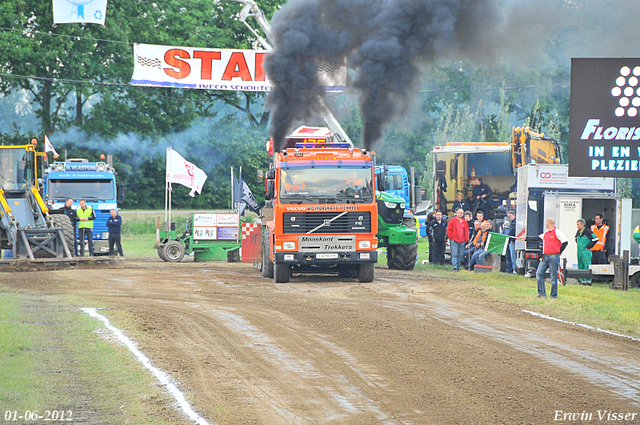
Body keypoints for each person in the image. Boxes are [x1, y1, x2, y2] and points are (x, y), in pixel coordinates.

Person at [519, 218, 568, 299]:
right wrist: (526, 238)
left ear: (548, 223)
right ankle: (541, 293)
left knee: (553, 277)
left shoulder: (557, 232)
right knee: (539, 273)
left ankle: (553, 295)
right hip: (545, 256)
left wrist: (559, 251)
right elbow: (538, 238)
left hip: (553, 256)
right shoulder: (546, 233)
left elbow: (565, 242)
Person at [575, 219, 598, 285]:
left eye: (578, 224)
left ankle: (587, 280)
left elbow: (595, 239)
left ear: (583, 225)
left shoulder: (588, 231)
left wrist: (589, 247)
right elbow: (576, 238)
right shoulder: (578, 232)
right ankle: (581, 280)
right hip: (579, 251)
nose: (577, 226)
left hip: (586, 252)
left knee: (586, 265)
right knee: (580, 265)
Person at [447, 207, 469, 271]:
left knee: (461, 254)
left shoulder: (465, 222)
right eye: (459, 212)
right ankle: (455, 267)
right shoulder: (452, 221)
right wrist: (451, 238)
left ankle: (459, 265)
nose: (460, 214)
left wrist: (466, 239)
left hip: (462, 240)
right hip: (454, 240)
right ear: (456, 213)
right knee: (454, 253)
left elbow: (466, 231)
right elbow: (449, 230)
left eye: (461, 213)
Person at [502, 210, 517, 274]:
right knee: (507, 256)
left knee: (512, 256)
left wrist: (512, 240)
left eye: (510, 216)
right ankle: (508, 269)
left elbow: (514, 232)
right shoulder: (506, 223)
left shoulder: (515, 223)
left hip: (512, 241)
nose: (509, 218)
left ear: (514, 216)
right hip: (507, 240)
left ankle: (514, 269)